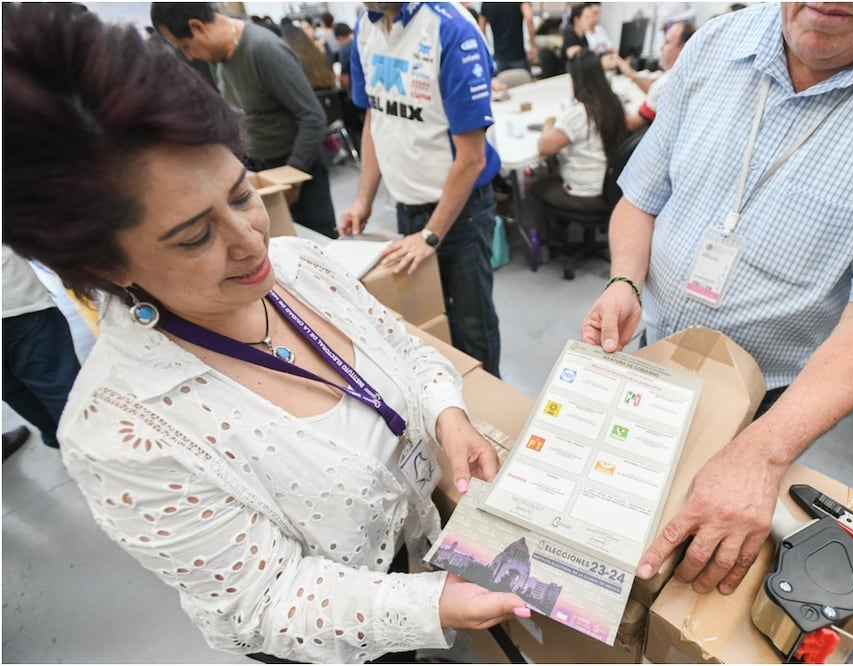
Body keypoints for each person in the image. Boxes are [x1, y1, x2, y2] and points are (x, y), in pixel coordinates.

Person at [3, 4, 528, 662]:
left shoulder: (299, 266)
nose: (251, 241)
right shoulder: (120, 433)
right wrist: (431, 607)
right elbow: (268, 601)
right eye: (195, 236)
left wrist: (448, 416)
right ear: (105, 265)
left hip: (421, 554)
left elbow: (404, 354)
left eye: (243, 192)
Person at [580, 2, 853, 595]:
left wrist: (762, 454)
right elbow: (643, 197)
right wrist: (625, 279)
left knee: (694, 558)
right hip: (656, 346)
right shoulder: (720, 41)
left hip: (772, 389)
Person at [341, 2, 503, 379]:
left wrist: (431, 234)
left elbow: (472, 158)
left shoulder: (450, 29)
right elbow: (375, 118)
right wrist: (363, 197)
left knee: (472, 325)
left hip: (460, 213)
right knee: (427, 322)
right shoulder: (366, 27)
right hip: (406, 207)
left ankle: (489, 404)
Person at [151, 3, 339, 239]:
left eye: (186, 46)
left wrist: (293, 176)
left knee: (316, 246)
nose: (189, 55)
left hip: (297, 170)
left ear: (197, 27)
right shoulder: (218, 59)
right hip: (261, 166)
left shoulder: (263, 50)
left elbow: (312, 116)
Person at [528, 51, 628, 242]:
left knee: (536, 186)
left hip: (588, 196)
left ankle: (546, 245)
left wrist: (549, 124)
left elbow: (544, 147)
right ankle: (564, 229)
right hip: (613, 188)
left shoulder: (579, 113)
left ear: (576, 80)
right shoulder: (614, 102)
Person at [2, 245, 83, 455]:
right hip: (13, 301)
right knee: (57, 381)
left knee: (12, 388)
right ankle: (94, 451)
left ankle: (65, 446)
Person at [620, 20, 694, 131]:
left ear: (682, 49)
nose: (661, 47)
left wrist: (609, 107)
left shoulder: (666, 84)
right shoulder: (686, 74)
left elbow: (631, 124)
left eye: (667, 42)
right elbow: (653, 86)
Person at [479, 2, 537, 75]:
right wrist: (532, 45)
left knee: (503, 83)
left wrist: (486, 52)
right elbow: (529, 18)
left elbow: (481, 30)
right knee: (524, 83)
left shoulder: (486, 3)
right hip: (518, 56)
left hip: (499, 57)